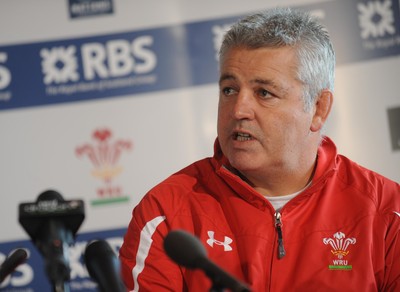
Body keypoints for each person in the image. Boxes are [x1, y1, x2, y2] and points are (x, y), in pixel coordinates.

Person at [119, 7, 400, 291]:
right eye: (229, 89)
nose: (239, 109)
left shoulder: (387, 212)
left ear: (318, 108)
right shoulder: (166, 211)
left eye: (264, 93)